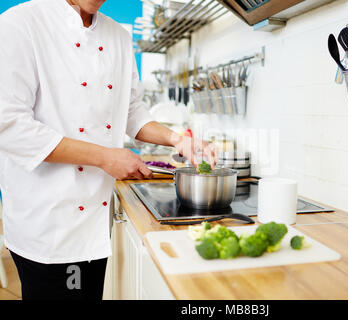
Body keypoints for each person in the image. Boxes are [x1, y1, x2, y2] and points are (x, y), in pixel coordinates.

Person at [0, 0, 216, 300]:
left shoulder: (118, 35)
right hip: (49, 219)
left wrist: (178, 140)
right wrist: (106, 157)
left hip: (94, 217)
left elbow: (132, 112)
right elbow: (8, 124)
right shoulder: (21, 23)